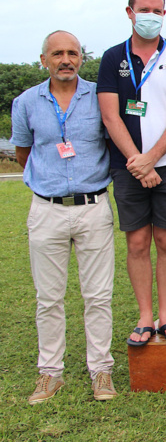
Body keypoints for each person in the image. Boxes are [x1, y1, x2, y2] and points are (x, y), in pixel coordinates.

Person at [12, 31, 118, 403]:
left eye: (72, 53)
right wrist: (50, 182)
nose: (66, 59)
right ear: (44, 60)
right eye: (57, 54)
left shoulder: (100, 97)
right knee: (48, 298)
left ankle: (101, 371)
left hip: (93, 207)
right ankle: (50, 374)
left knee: (99, 296)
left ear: (81, 59)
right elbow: (24, 152)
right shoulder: (26, 102)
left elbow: (112, 139)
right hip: (47, 210)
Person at [97, 0, 166, 345]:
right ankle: (144, 317)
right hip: (127, 167)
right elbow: (110, 117)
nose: (151, 16)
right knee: (138, 243)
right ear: (129, 12)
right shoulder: (113, 58)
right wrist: (136, 162)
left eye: (157, 10)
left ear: (164, 14)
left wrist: (152, 159)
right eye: (144, 9)